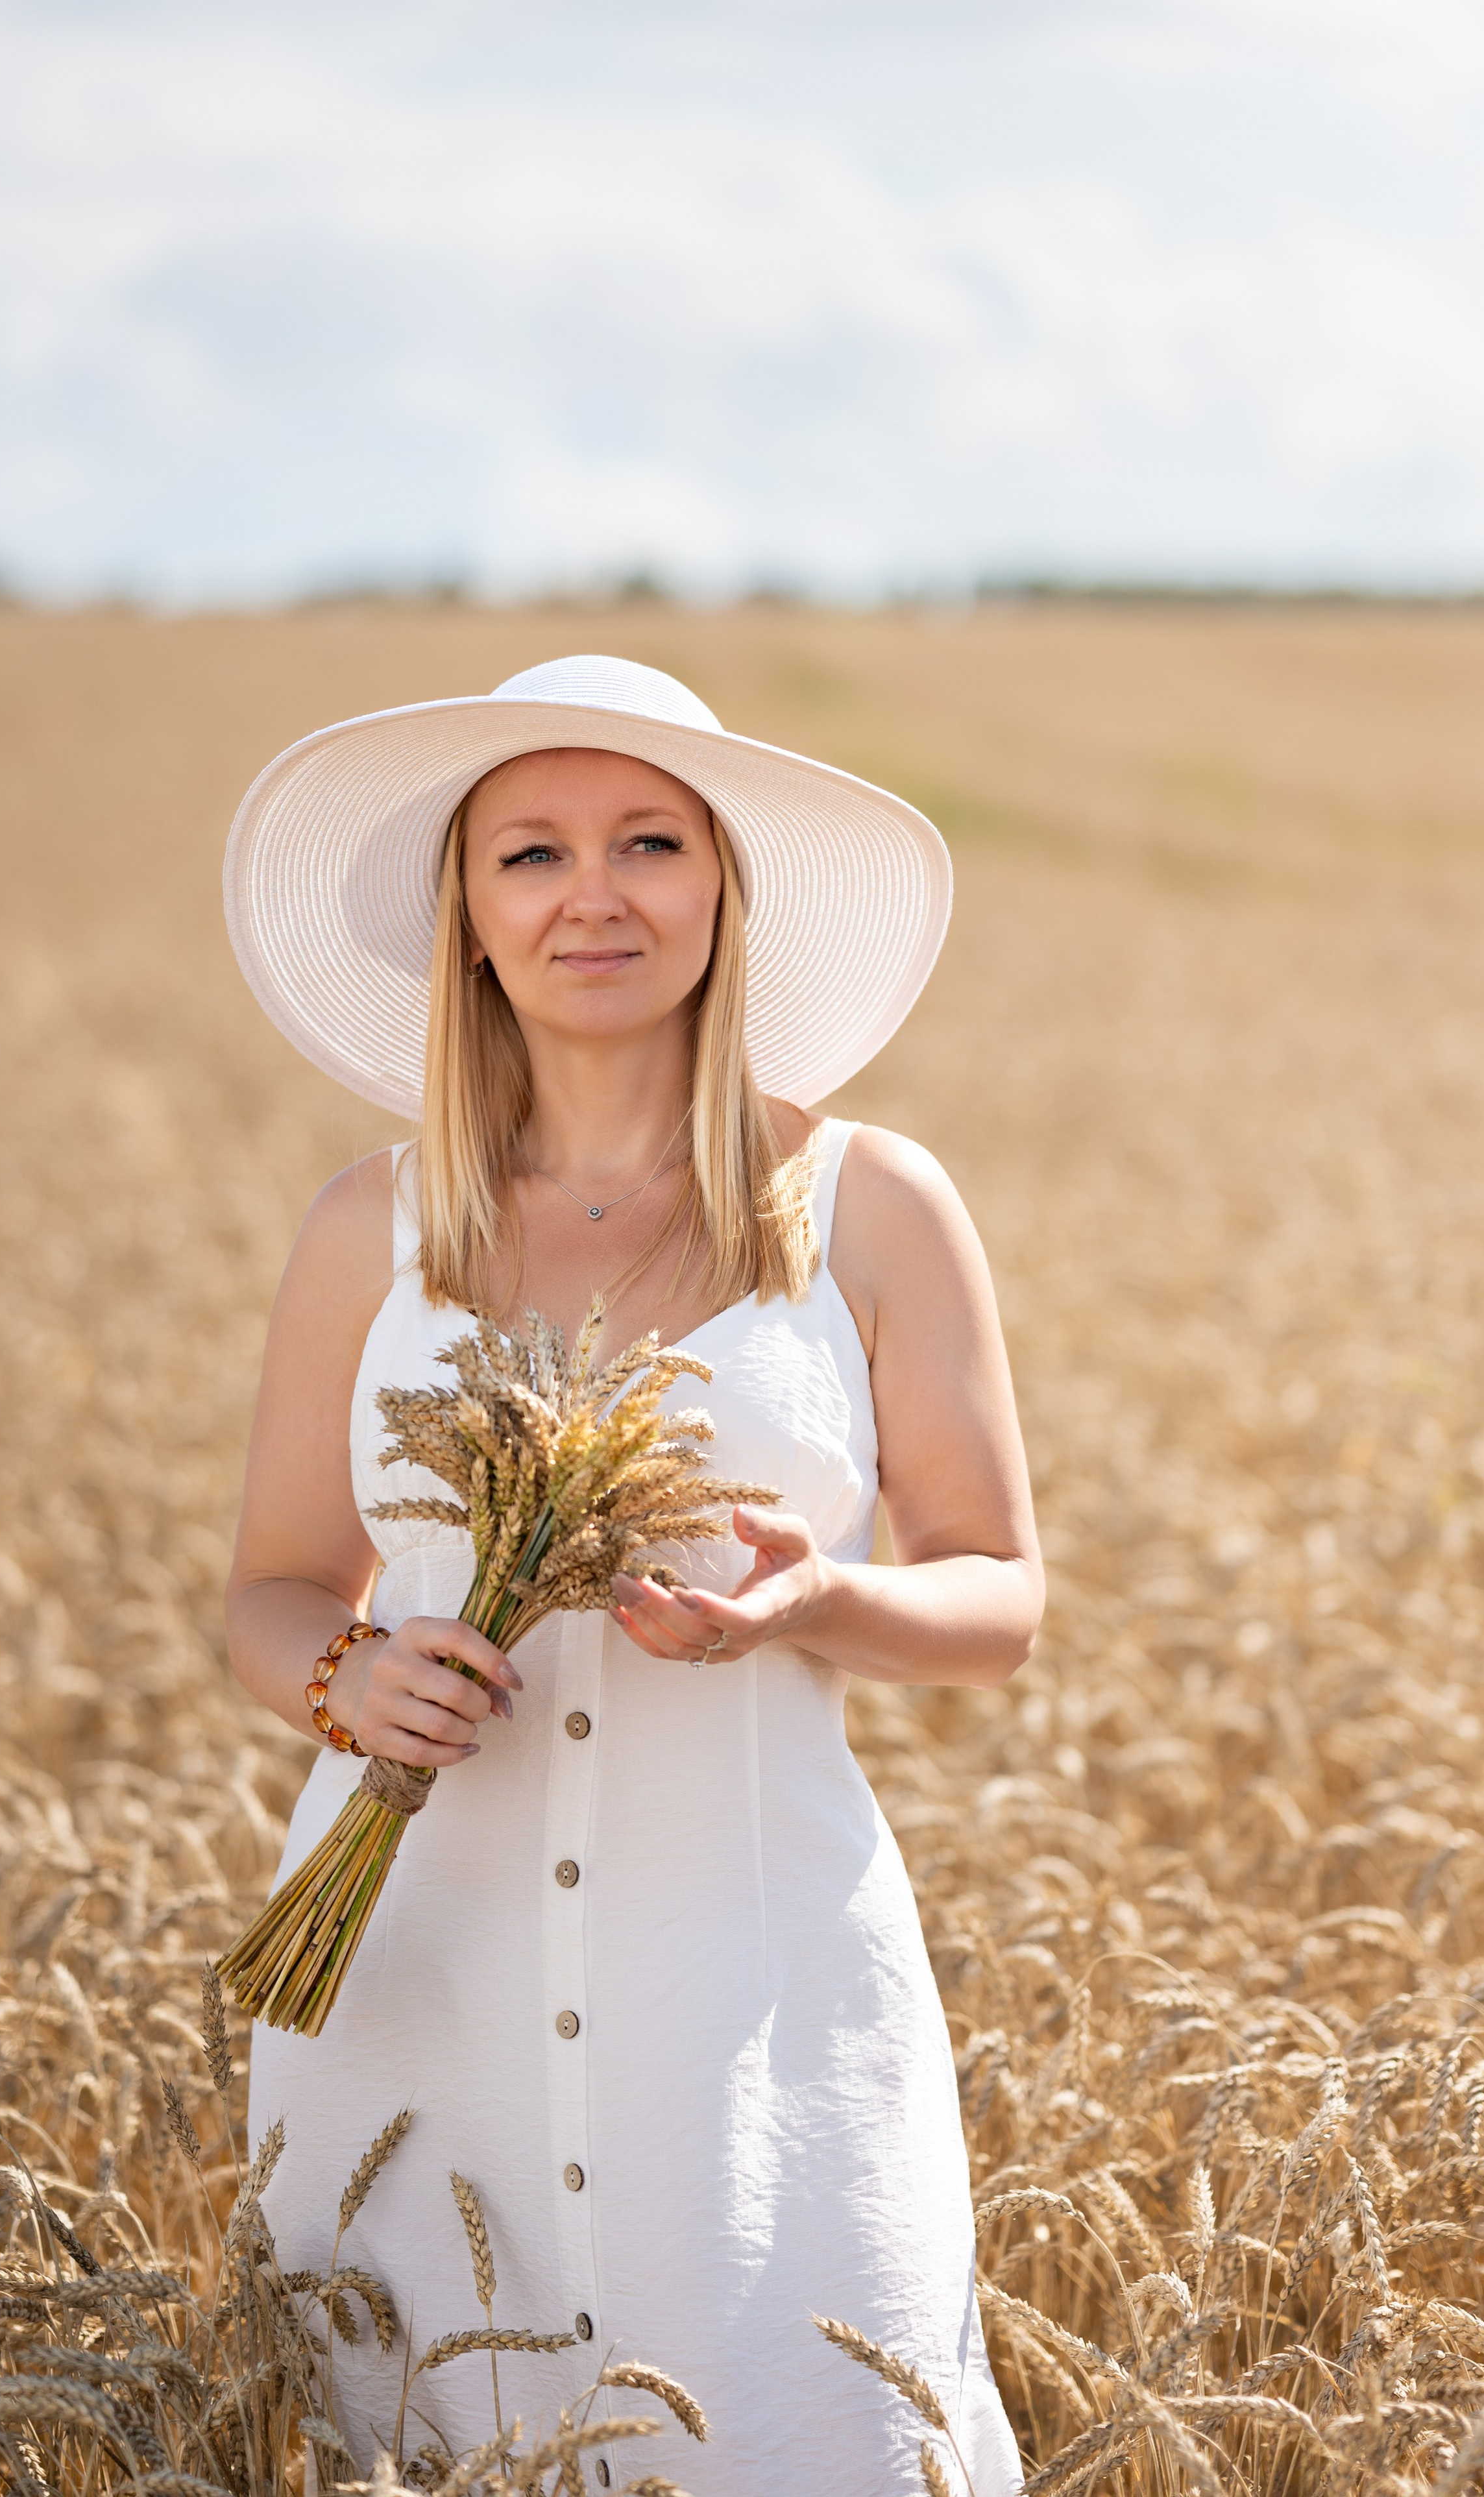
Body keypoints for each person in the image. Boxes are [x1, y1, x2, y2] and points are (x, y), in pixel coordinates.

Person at [224, 654, 1042, 2494]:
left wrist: (818, 1607)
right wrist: (349, 1679)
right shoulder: (371, 1228)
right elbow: (270, 1588)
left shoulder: (871, 1203)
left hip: (761, 2011)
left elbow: (998, 1589)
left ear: (725, 887)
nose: (592, 894)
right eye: (531, 852)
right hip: (414, 2007)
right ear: (468, 913)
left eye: (650, 842)